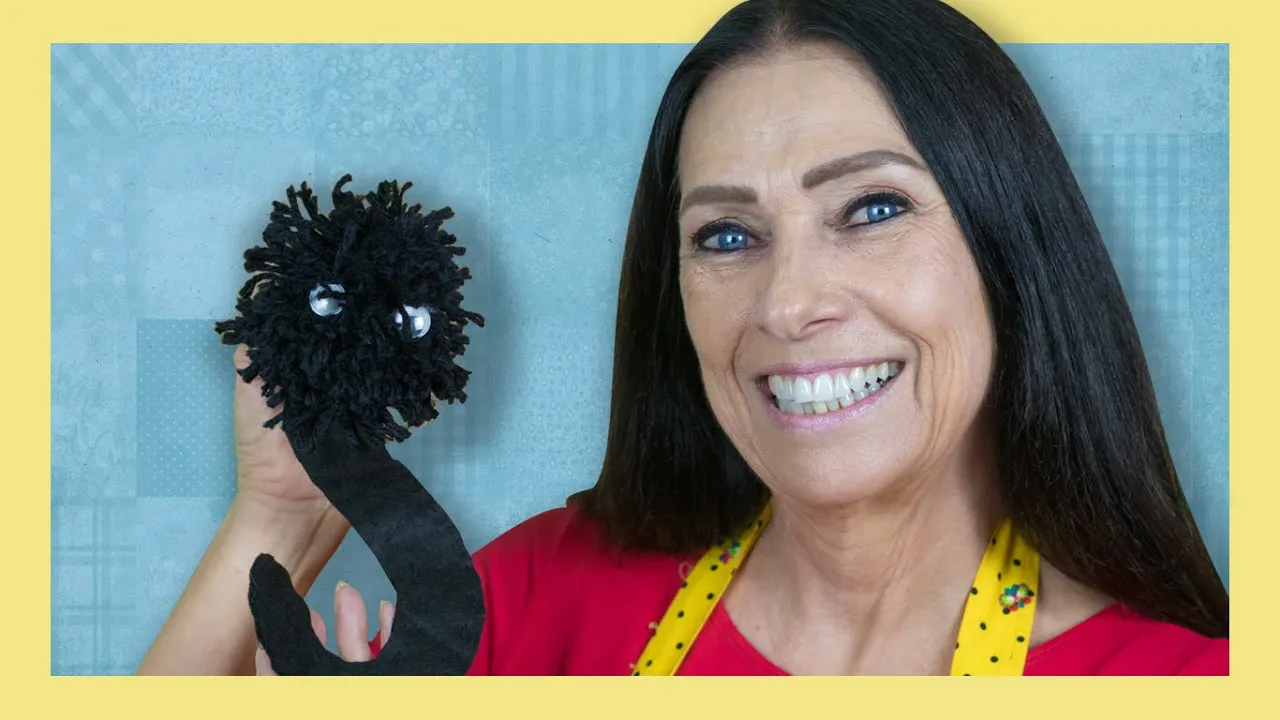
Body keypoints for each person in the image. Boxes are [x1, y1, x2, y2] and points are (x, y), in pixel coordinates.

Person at [137, 0, 1229, 677]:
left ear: (1009, 248)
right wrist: (281, 512)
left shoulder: (1174, 684)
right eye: (726, 236)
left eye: (872, 208)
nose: (788, 302)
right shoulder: (538, 600)